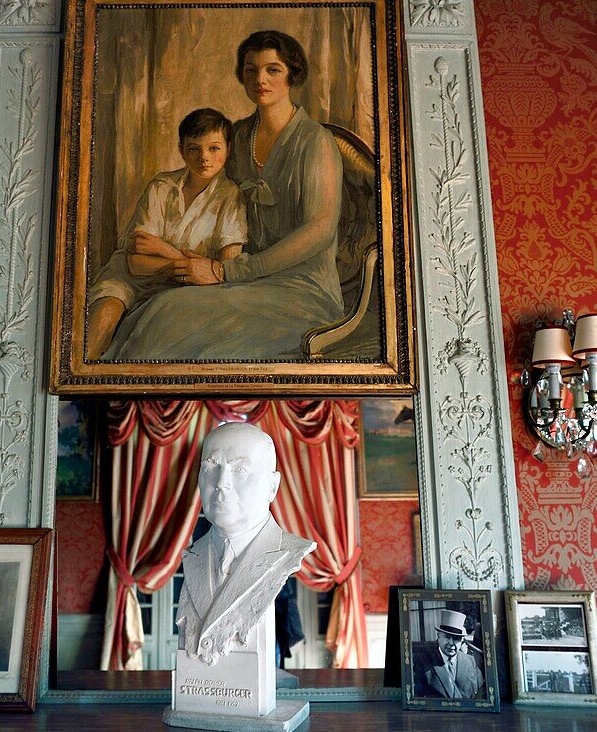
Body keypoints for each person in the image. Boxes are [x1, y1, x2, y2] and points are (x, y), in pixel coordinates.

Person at [106, 30, 344, 359]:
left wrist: (225, 271)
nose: (260, 78)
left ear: (292, 73)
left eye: (272, 69)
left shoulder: (315, 141)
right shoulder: (239, 135)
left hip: (302, 289)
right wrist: (171, 249)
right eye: (251, 69)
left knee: (171, 312)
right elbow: (209, 200)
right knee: (158, 306)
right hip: (244, 280)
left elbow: (319, 230)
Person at [87, 107, 247, 359]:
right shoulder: (161, 187)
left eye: (214, 148)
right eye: (194, 148)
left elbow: (225, 269)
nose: (204, 157)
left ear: (227, 149)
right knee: (106, 313)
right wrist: (185, 266)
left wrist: (164, 251)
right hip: (131, 279)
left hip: (187, 290)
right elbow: (136, 262)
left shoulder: (231, 197)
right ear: (182, 150)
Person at [175, 422, 315, 666]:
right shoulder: (193, 556)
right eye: (211, 466)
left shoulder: (287, 552)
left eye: (240, 469)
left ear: (272, 487)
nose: (221, 482)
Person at [413, 609, 484, 699]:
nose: (451, 643)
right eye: (447, 637)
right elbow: (417, 697)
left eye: (456, 639)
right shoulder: (424, 662)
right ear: (438, 636)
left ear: (462, 641)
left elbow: (480, 693)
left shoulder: (470, 661)